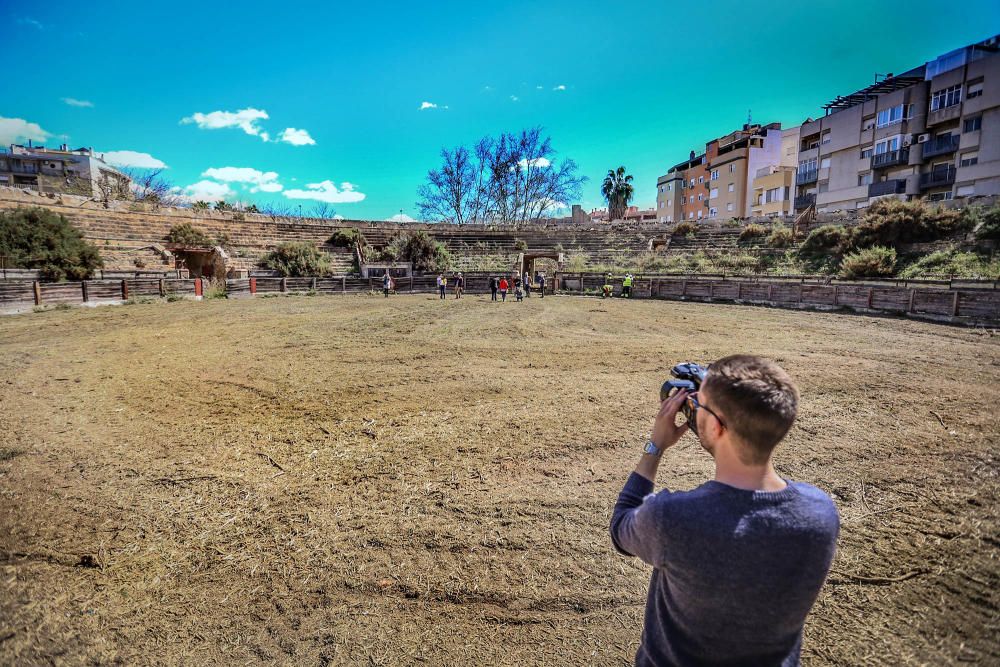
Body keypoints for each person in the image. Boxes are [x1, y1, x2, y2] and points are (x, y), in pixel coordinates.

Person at [610, 355, 839, 667]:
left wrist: (655, 446)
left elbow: (621, 525)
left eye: (698, 404)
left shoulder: (673, 518)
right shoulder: (821, 512)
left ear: (716, 427)